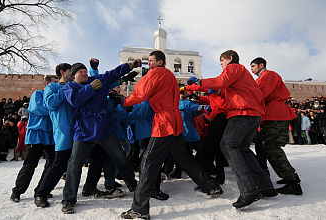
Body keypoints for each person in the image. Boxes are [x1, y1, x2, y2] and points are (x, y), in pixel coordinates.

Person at [121, 50, 222, 219]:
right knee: (184, 157)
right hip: (174, 121)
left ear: (160, 62)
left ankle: (139, 209)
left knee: (148, 162)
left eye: (152, 61)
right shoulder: (169, 75)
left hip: (164, 122)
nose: (149, 64)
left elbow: (142, 93)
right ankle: (210, 185)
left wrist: (125, 101)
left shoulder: (157, 73)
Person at [188, 50, 276, 209]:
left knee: (228, 145)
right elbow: (218, 89)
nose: (220, 64)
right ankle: (265, 186)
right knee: (242, 149)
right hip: (252, 113)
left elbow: (220, 82)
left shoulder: (234, 67)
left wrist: (200, 82)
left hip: (243, 112)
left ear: (229, 58)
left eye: (221, 60)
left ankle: (249, 190)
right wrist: (196, 88)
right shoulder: (240, 75)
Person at [61, 61, 139, 214]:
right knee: (74, 165)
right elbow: (75, 101)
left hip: (104, 128)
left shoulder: (97, 80)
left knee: (120, 158)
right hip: (83, 131)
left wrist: (129, 66)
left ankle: (133, 185)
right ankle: (68, 200)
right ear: (74, 75)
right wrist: (90, 88)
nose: (84, 73)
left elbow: (113, 73)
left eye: (85, 71)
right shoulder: (70, 87)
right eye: (80, 72)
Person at [250, 57, 302, 195]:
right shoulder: (262, 77)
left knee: (271, 146)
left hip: (277, 115)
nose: (252, 69)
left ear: (262, 65)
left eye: (253, 66)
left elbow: (262, 93)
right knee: (261, 144)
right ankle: (264, 174)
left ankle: (292, 181)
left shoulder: (268, 74)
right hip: (272, 116)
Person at [10, 76, 58, 203]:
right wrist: (55, 107)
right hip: (36, 134)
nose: (57, 85)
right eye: (55, 82)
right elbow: (38, 109)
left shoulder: (55, 96)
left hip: (50, 135)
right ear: (47, 83)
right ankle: (17, 191)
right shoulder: (38, 94)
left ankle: (41, 190)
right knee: (30, 165)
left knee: (51, 164)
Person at [33, 63, 74, 208]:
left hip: (77, 132)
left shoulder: (73, 86)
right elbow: (50, 103)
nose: (73, 74)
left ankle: (78, 192)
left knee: (75, 165)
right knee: (58, 164)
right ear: (63, 72)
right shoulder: (53, 87)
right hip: (63, 132)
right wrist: (65, 89)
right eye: (71, 71)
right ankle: (40, 193)